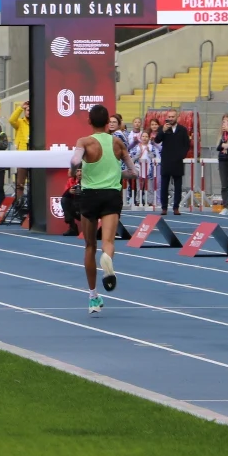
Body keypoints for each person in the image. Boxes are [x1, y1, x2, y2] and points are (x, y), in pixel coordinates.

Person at [70, 104, 138, 315]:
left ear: (89, 122)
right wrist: (117, 175)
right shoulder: (118, 143)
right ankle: (107, 259)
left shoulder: (85, 141)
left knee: (90, 246)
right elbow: (133, 172)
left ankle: (92, 296)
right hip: (111, 195)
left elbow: (74, 160)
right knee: (108, 242)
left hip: (90, 195)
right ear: (108, 123)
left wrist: (75, 170)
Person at [155, 109, 191, 216]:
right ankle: (164, 207)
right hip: (166, 160)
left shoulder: (182, 130)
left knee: (178, 186)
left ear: (177, 117)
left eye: (172, 117)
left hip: (178, 161)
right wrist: (163, 131)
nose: (170, 119)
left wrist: (181, 155)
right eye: (169, 117)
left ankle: (176, 207)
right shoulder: (163, 128)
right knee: (164, 185)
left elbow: (187, 145)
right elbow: (157, 140)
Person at [9, 100, 31, 199]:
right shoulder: (20, 122)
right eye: (27, 110)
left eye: (31, 110)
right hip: (22, 156)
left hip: (36, 157)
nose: (29, 112)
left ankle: (35, 205)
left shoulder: (39, 123)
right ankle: (19, 204)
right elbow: (11, 120)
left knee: (36, 185)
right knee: (20, 184)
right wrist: (20, 108)